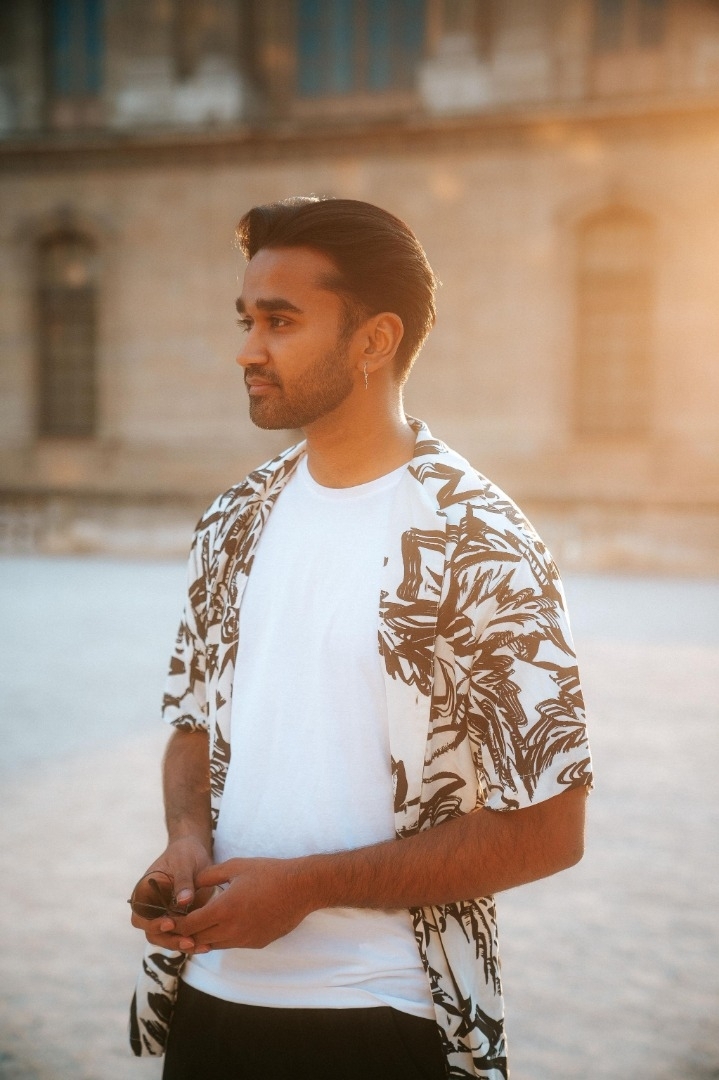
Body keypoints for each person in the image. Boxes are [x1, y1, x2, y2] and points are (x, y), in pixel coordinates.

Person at [129, 196, 592, 1080]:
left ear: (374, 340)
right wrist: (187, 842)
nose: (247, 349)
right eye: (245, 320)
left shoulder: (480, 541)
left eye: (279, 321)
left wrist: (309, 888)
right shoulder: (233, 520)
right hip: (210, 997)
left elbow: (549, 829)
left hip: (385, 1015)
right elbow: (192, 723)